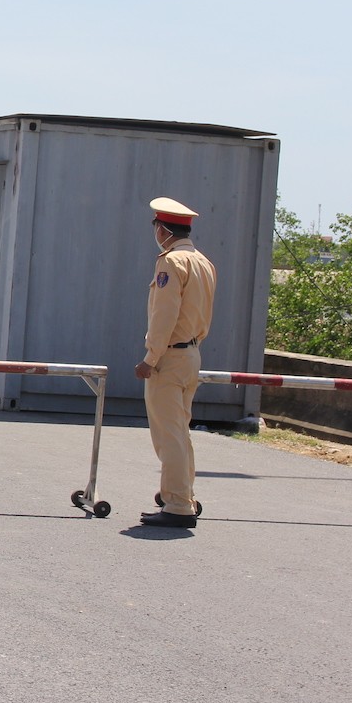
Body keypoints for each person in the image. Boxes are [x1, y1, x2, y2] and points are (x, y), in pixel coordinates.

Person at [134, 197, 217, 529]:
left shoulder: (170, 262)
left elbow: (164, 315)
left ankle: (178, 505)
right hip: (192, 352)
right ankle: (182, 494)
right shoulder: (203, 262)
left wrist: (150, 358)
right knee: (180, 431)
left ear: (163, 229)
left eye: (156, 226)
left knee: (168, 434)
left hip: (170, 355)